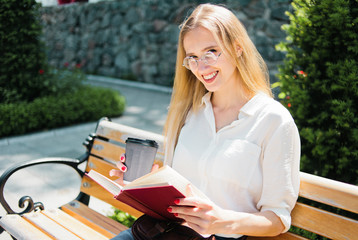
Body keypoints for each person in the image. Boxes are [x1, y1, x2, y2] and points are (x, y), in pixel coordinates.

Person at [110, 3, 300, 240]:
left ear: (238, 47)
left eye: (211, 51)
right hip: (161, 232)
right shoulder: (190, 112)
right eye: (193, 57)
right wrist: (139, 183)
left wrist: (223, 222)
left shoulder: (273, 121)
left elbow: (278, 219)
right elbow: (178, 187)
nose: (202, 67)